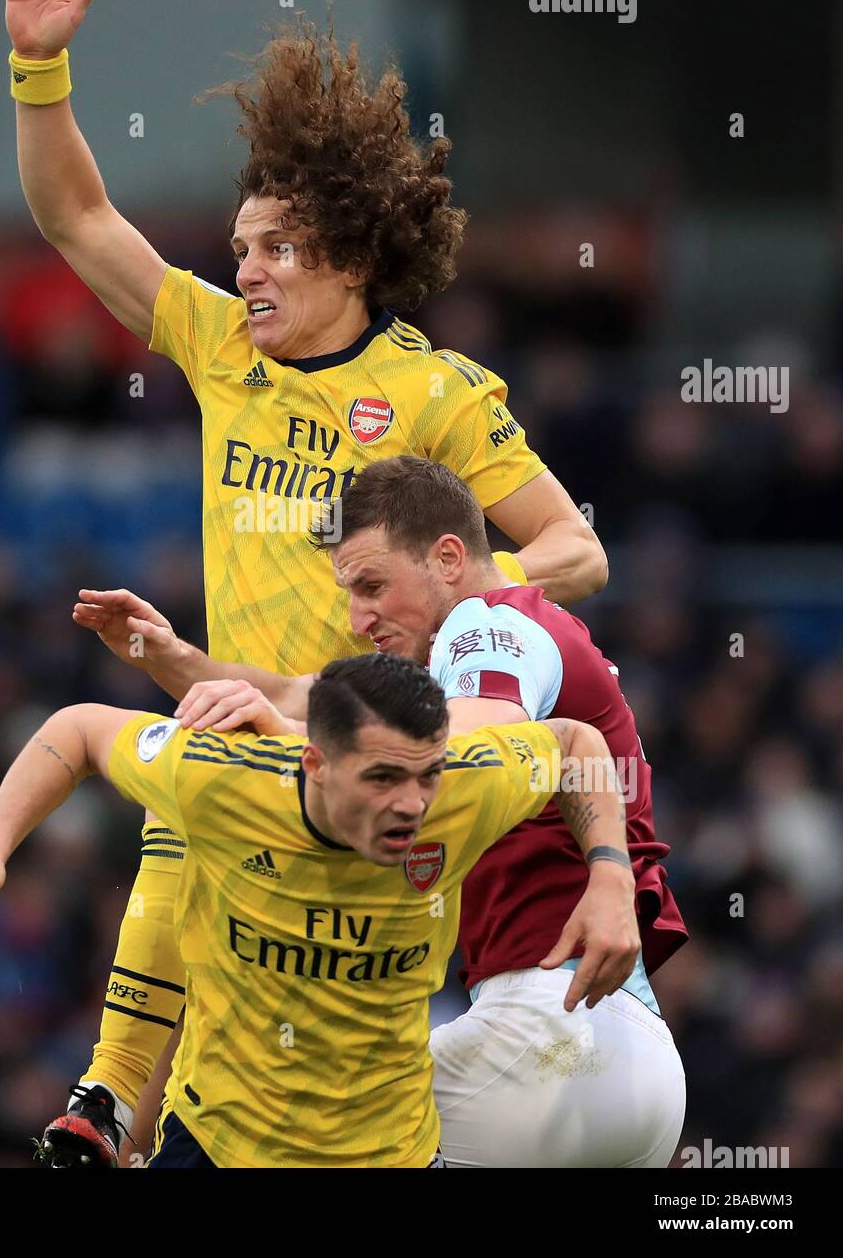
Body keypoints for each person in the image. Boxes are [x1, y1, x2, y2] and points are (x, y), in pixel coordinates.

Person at [4, 0, 608, 1158]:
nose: (246, 269)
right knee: (189, 810)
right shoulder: (223, 346)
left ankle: (126, 1092)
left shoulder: (431, 392)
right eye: (238, 248)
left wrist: (449, 596)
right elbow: (76, 215)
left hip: (367, 752)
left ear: (349, 255)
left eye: (273, 249)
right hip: (251, 721)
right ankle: (116, 1096)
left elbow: (576, 550)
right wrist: (37, 72)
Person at [76, 457, 687, 1167]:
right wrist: (170, 654)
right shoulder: (467, 656)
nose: (357, 617)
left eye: (372, 586)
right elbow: (298, 696)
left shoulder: (488, 632)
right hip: (614, 1064)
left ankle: (115, 1099)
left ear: (449, 558)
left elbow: (455, 758)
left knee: (274, 1123)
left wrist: (268, 756)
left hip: (548, 1042)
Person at [0, 653, 638, 1168]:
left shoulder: (465, 790)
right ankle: (108, 1092)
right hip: (217, 1146)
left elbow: (575, 742)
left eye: (427, 775)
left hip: (388, 1156)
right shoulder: (220, 780)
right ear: (315, 763)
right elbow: (79, 729)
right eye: (383, 777)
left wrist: (610, 876)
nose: (413, 804)